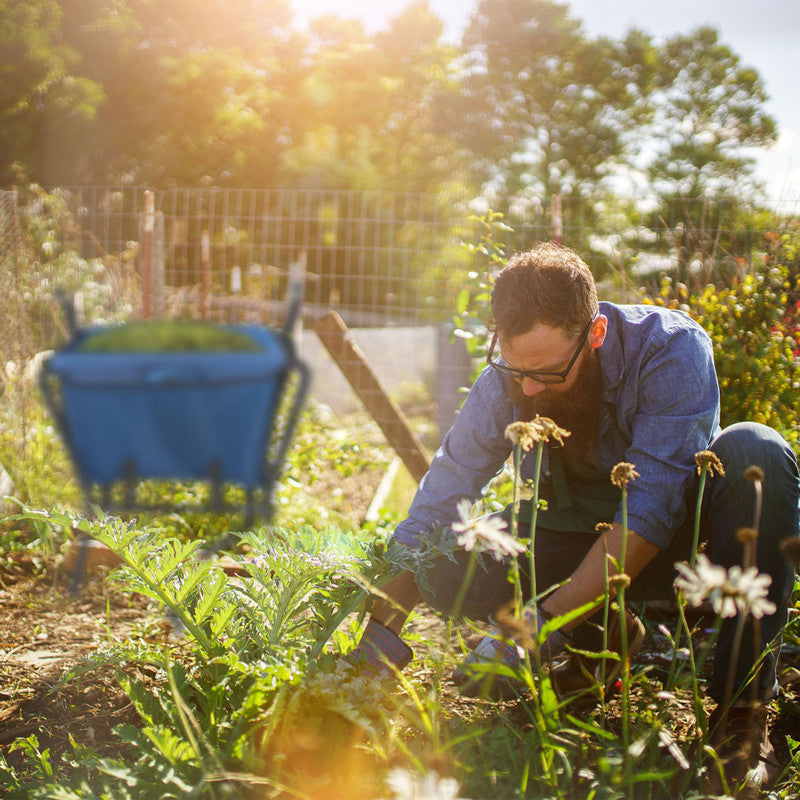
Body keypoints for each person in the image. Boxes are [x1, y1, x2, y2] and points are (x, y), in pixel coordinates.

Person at [348, 242, 799, 793]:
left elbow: (652, 508)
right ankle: (604, 638)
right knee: (443, 560)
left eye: (547, 372)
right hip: (570, 539)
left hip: (680, 552)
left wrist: (540, 624)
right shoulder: (507, 378)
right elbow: (443, 492)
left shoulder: (670, 350)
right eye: (517, 370)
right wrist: (377, 638)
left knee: (758, 452)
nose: (529, 388)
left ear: (596, 335)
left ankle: (742, 718)